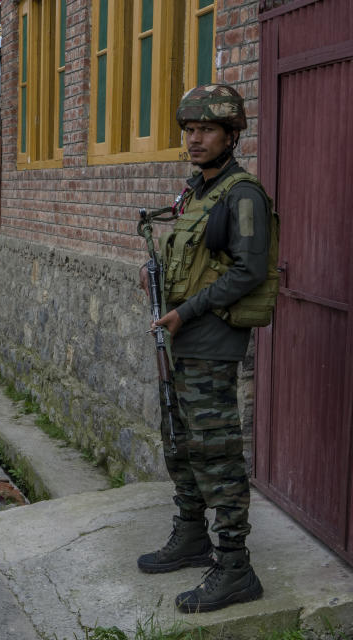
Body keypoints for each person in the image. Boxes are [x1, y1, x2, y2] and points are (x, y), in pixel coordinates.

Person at [137, 85, 276, 613]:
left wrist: (185, 311)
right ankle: (192, 534)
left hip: (210, 340)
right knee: (181, 441)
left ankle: (236, 567)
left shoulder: (243, 195)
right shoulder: (197, 192)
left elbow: (249, 270)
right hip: (180, 337)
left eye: (207, 130)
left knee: (216, 452)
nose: (194, 139)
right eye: (189, 130)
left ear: (231, 135)